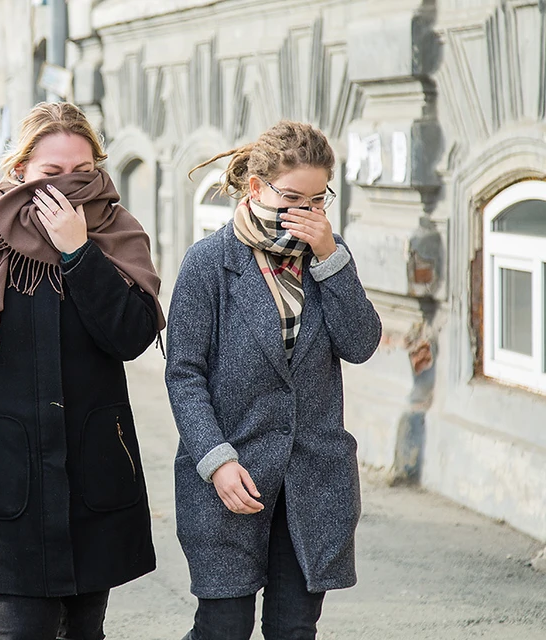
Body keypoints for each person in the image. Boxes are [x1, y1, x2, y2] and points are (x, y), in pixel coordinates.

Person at [0, 102, 165, 640]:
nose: (67, 185)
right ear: (19, 169)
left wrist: (79, 253)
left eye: (81, 171)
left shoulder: (117, 235)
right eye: (51, 174)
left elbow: (132, 336)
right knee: (22, 630)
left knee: (84, 631)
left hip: (94, 470)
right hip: (7, 472)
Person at [165, 120, 383, 640]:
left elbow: (361, 344)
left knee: (293, 630)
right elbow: (184, 372)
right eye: (291, 197)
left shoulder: (327, 258)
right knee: (223, 627)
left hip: (313, 479)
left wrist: (332, 259)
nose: (305, 213)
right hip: (231, 476)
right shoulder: (209, 262)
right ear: (257, 187)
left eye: (318, 199)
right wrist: (215, 459)